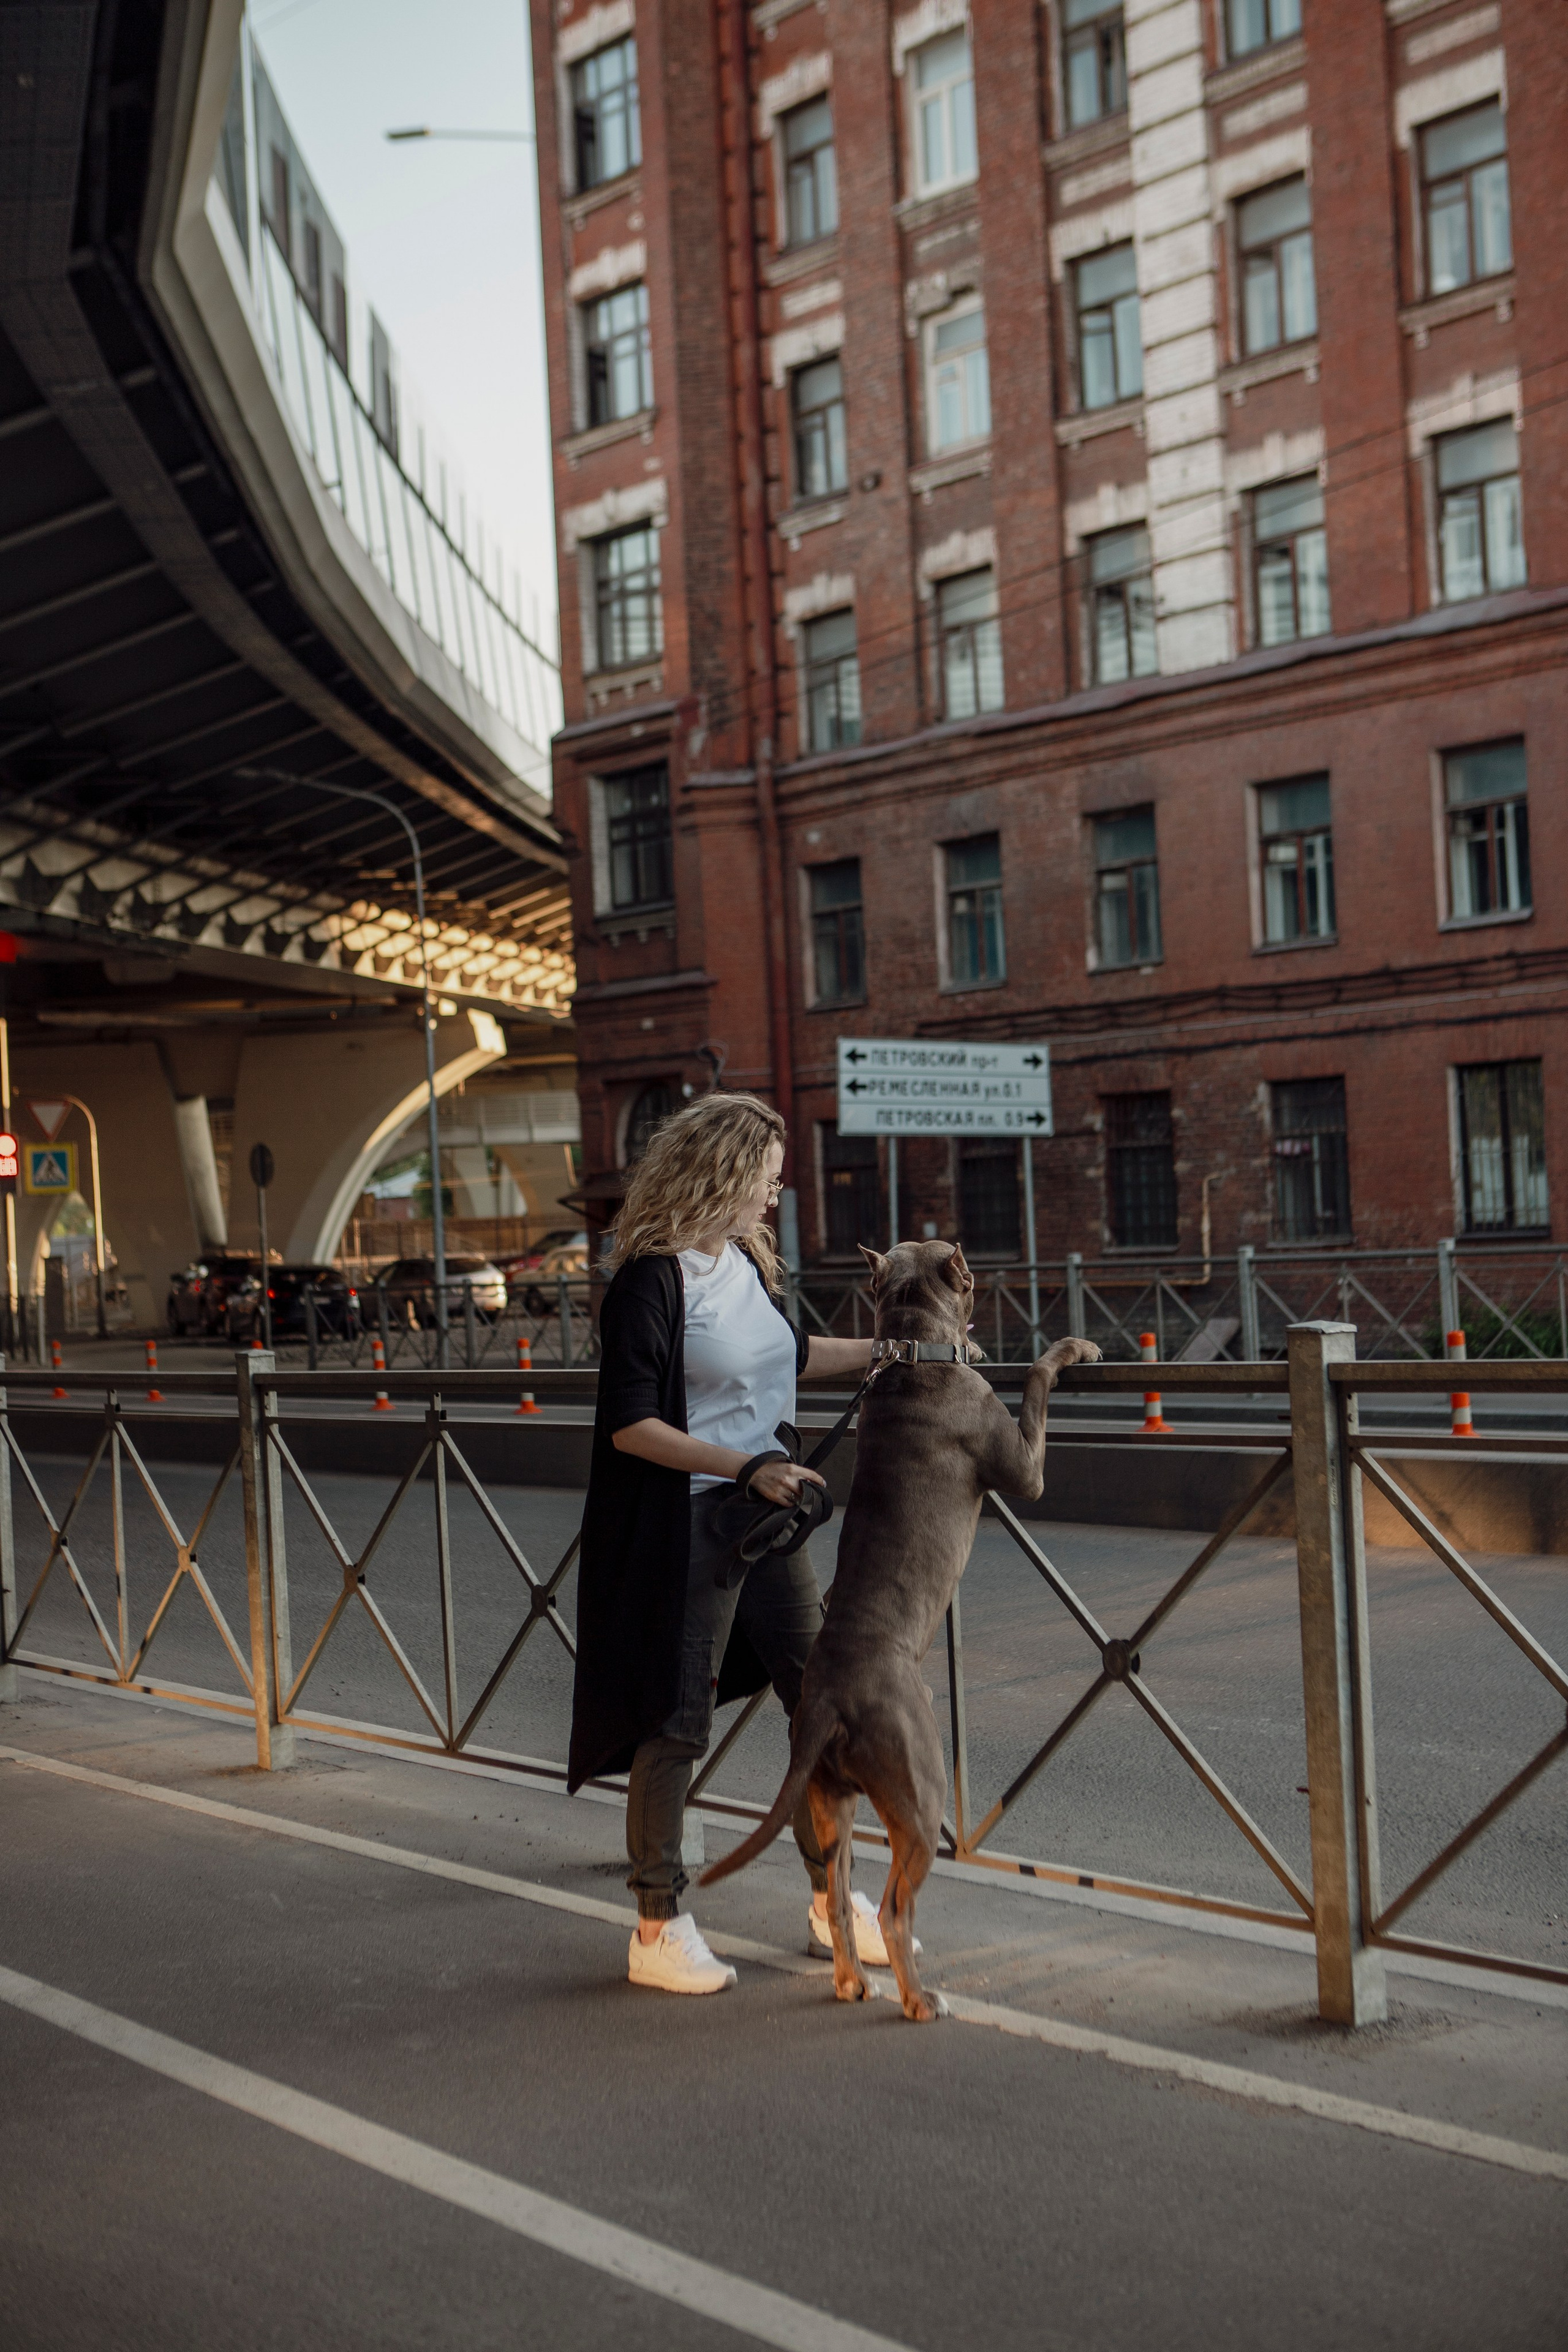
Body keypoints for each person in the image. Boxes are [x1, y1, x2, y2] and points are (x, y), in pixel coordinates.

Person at [567, 1090, 887, 1995]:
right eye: (766, 1181)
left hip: (769, 1520)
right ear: (720, 1172)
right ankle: (657, 1925)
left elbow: (785, 1355)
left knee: (824, 1708)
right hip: (690, 1526)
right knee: (676, 1725)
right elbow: (631, 1427)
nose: (773, 1200)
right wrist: (745, 1467)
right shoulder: (648, 1281)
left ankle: (833, 1902)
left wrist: (888, 1348)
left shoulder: (746, 1265)